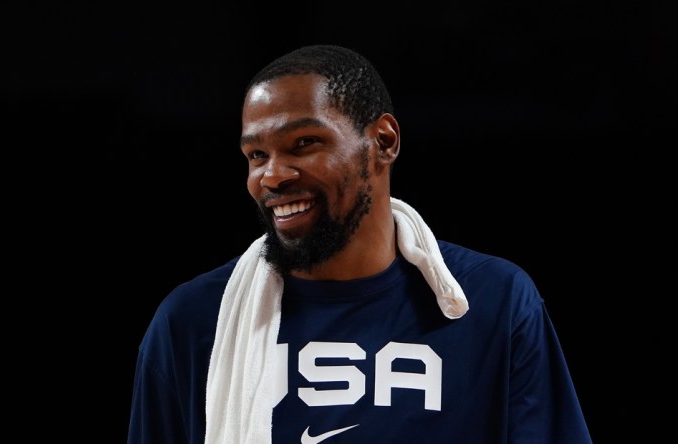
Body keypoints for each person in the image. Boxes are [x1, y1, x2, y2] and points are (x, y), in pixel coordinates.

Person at [126, 44, 592, 444]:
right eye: (257, 155)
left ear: (383, 142)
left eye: (304, 143)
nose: (272, 175)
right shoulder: (192, 322)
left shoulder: (493, 302)